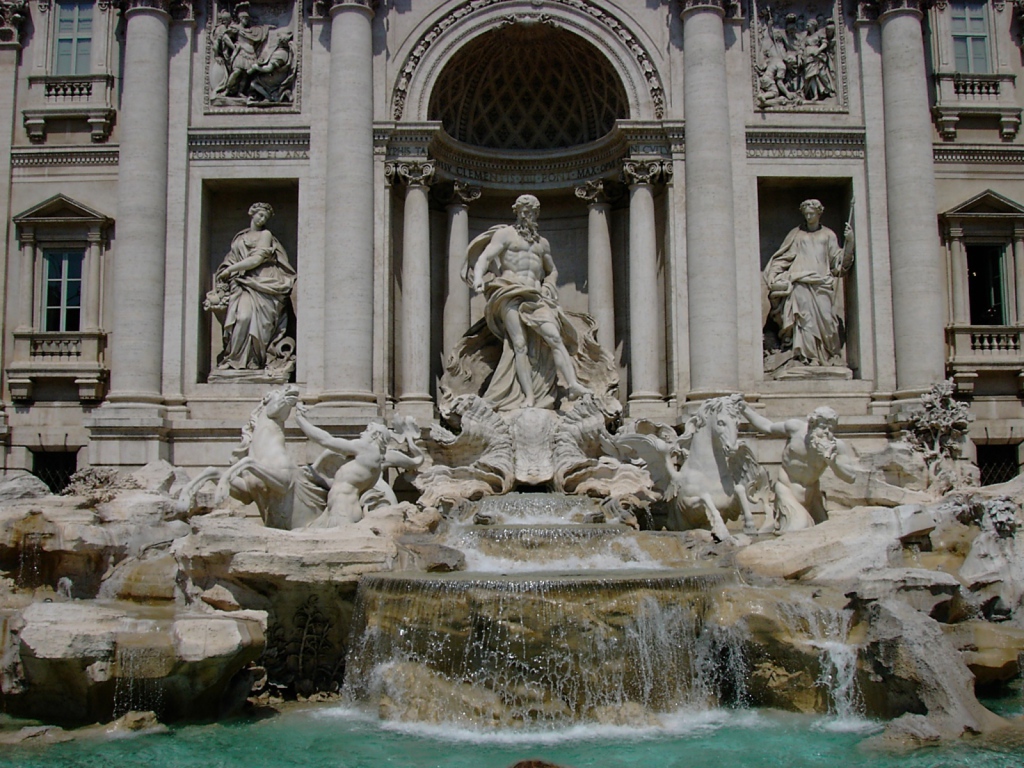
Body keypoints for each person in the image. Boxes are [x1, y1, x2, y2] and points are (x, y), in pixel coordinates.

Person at [465, 194, 593, 409]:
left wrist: (549, 285)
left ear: (537, 214)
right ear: (516, 211)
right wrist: (478, 277)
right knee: (520, 345)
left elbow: (552, 270)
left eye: (532, 211)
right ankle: (529, 397)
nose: (528, 215)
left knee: (554, 337)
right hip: (509, 291)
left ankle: (572, 384)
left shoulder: (542, 244)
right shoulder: (505, 234)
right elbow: (485, 257)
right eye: (524, 211)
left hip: (536, 296)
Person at [293, 408, 424, 528]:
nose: (362, 433)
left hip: (342, 510)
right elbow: (341, 484)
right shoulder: (376, 460)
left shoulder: (366, 449)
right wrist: (316, 477)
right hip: (338, 509)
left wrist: (300, 420)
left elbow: (326, 440)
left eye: (367, 430)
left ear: (375, 436)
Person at [206, 202, 296, 373]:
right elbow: (230, 259)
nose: (262, 219)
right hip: (241, 284)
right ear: (251, 213)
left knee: (254, 322)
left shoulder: (266, 235)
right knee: (242, 318)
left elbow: (256, 260)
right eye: (260, 215)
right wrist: (226, 271)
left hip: (262, 283)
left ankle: (255, 361)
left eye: (266, 217)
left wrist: (232, 270)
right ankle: (234, 359)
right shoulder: (239, 238)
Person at [763, 199, 854, 366]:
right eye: (806, 214)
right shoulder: (796, 235)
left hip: (822, 283)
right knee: (803, 320)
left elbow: (839, 265)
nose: (809, 216)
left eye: (812, 213)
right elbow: (783, 257)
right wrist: (773, 274)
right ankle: (805, 357)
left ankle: (826, 355)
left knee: (827, 320)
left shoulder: (828, 235)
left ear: (819, 213)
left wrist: (849, 242)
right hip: (800, 282)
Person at [742, 403, 858, 531]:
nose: (826, 433)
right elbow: (767, 427)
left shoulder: (836, 446)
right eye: (823, 427)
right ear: (812, 424)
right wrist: (744, 409)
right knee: (799, 528)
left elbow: (851, 477)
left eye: (830, 429)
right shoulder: (795, 429)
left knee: (825, 530)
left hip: (812, 496)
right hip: (787, 490)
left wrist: (831, 461)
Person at [247, 31, 295, 104]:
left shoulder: (280, 54)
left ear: (280, 41)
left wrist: (255, 67)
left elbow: (269, 68)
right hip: (279, 75)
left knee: (254, 83)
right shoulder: (284, 52)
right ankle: (276, 93)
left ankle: (270, 97)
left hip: (276, 77)